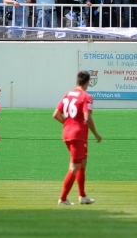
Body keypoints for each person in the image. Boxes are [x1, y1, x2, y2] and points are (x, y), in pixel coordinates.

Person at [53, 71, 102, 205]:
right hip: (78, 135)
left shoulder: (68, 94)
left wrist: (68, 124)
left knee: (83, 162)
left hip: (68, 133)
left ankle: (82, 196)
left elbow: (56, 114)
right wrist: (96, 134)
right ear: (87, 83)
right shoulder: (86, 97)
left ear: (77, 81)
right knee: (74, 166)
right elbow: (87, 118)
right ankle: (63, 199)